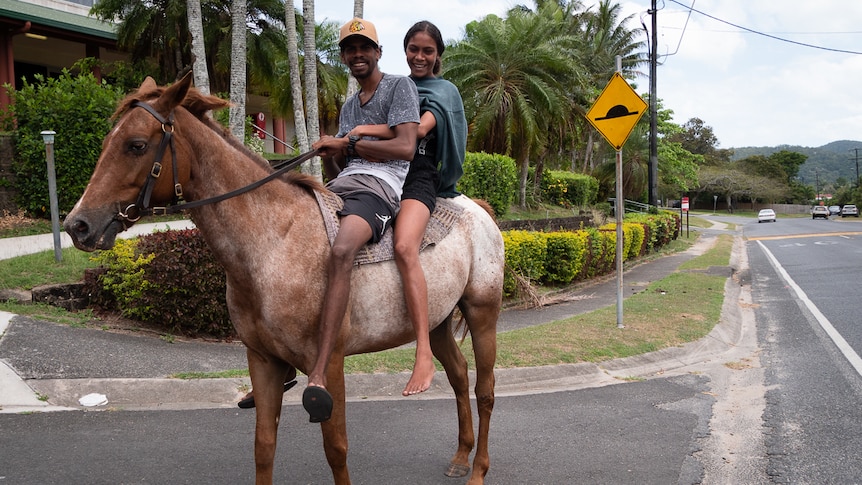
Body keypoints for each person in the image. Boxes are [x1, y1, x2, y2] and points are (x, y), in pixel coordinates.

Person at [303, 17, 420, 422]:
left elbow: (406, 147)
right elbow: (343, 160)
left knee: (341, 250)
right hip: (344, 185)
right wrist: (332, 151)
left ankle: (317, 371)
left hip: (381, 188)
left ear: (377, 52)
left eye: (363, 47)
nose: (357, 55)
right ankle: (282, 359)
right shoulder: (350, 105)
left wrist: (349, 141)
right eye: (349, 49)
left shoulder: (399, 87)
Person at [346, 21, 467, 396]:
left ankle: (424, 351)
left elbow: (414, 133)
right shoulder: (398, 88)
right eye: (413, 49)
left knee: (403, 247)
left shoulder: (442, 91)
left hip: (417, 175)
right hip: (379, 172)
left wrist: (356, 135)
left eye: (427, 51)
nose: (419, 57)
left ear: (437, 56)